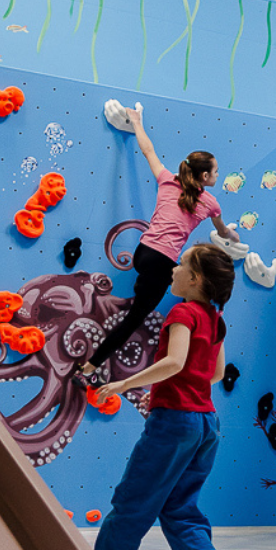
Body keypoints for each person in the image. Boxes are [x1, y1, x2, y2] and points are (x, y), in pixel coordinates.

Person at [93, 244, 238, 550]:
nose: (173, 268)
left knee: (132, 502)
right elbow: (215, 373)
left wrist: (125, 384)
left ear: (195, 279)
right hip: (206, 424)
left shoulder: (183, 312)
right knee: (178, 506)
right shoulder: (216, 318)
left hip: (174, 422)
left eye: (181, 264)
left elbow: (174, 362)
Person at [80, 107, 241, 378]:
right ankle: (89, 366)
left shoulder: (168, 180)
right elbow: (224, 232)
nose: (216, 176)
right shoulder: (211, 203)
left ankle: (93, 362)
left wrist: (138, 123)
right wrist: (234, 236)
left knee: (140, 306)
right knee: (134, 320)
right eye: (215, 172)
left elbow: (148, 151)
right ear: (204, 177)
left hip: (142, 253)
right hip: (163, 261)